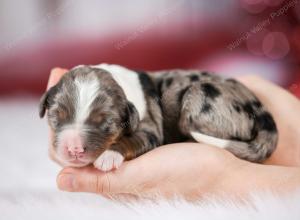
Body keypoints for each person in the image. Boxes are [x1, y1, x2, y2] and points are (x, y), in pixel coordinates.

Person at [48, 68, 300, 200]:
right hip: (238, 112)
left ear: (129, 114)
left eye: (102, 123)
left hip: (219, 104)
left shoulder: (136, 105)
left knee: (195, 103)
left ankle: (223, 138)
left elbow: (151, 135)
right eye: (59, 118)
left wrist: (121, 148)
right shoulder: (122, 97)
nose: (76, 146)